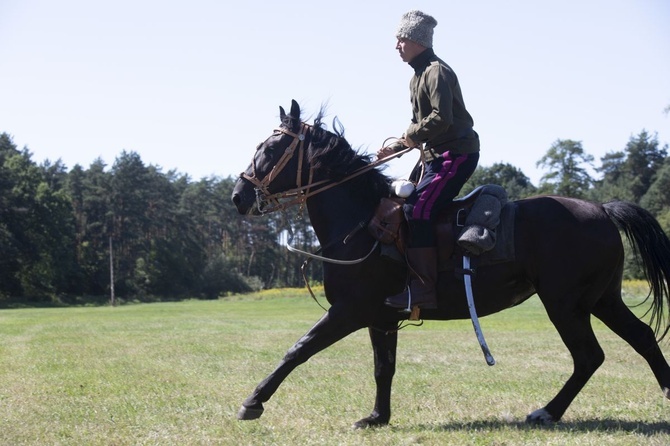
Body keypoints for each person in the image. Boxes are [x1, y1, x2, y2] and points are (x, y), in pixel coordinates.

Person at [377, 10, 480, 311]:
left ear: (416, 40)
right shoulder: (415, 78)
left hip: (456, 154)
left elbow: (441, 119)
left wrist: (408, 136)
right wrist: (397, 145)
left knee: (417, 208)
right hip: (434, 157)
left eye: (401, 39)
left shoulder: (436, 71)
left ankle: (424, 291)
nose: (397, 45)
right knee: (401, 204)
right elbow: (418, 126)